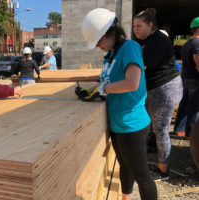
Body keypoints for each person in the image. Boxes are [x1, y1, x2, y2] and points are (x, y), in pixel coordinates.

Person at [81, 8, 157, 200]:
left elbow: (132, 83)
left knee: (142, 175)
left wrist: (105, 89)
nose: (98, 45)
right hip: (117, 124)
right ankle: (125, 198)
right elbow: (108, 81)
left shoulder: (129, 48)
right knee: (124, 165)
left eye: (99, 40)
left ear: (112, 32)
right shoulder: (110, 56)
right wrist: (94, 89)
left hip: (132, 124)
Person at [133, 9, 183, 181]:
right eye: (134, 26)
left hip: (165, 89)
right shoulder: (145, 42)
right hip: (155, 89)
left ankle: (163, 170)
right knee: (151, 126)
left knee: (160, 129)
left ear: (150, 25)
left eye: (139, 26)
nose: (135, 29)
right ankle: (150, 157)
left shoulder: (157, 41)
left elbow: (140, 69)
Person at [174, 17, 199, 139]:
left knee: (184, 103)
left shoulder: (187, 43)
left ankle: (179, 129)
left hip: (186, 78)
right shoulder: (197, 44)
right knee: (195, 107)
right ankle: (191, 133)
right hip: (195, 79)